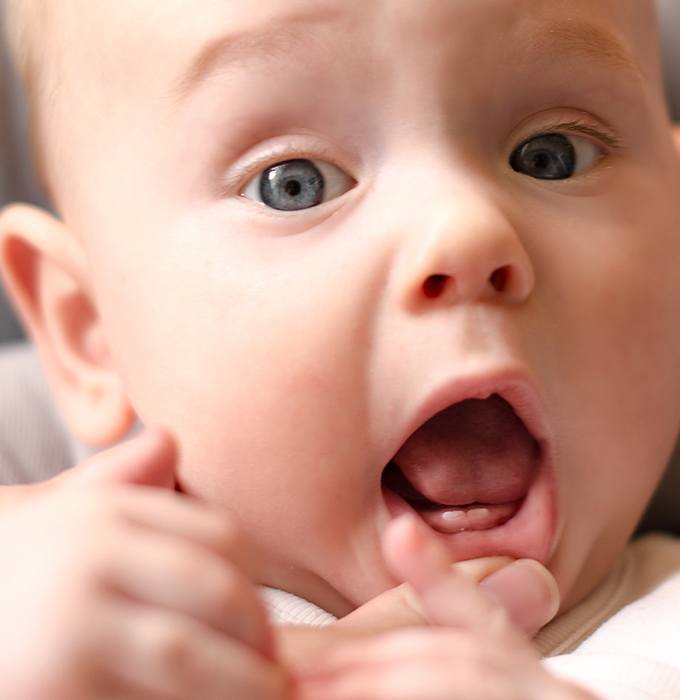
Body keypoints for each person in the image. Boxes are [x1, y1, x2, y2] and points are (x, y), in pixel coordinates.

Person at [0, 0, 679, 698]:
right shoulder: (59, 605)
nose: (467, 228)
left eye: (550, 157)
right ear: (90, 327)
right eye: (294, 184)